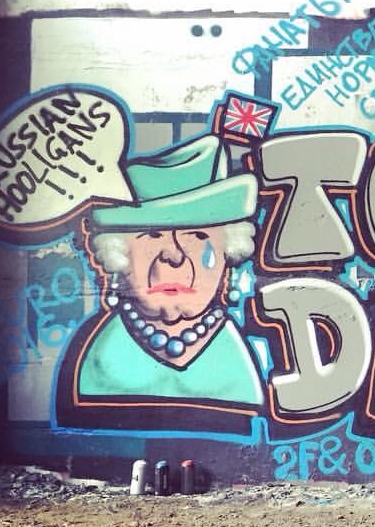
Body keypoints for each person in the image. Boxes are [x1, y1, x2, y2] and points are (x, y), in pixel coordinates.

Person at [55, 134, 265, 432]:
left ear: (228, 250)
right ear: (117, 251)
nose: (174, 255)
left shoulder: (235, 357)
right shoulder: (99, 358)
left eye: (198, 235)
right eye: (152, 235)